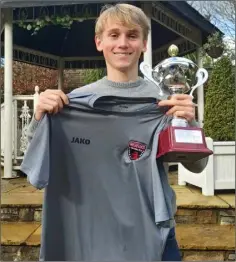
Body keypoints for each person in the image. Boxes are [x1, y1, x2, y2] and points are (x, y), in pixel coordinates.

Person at [26, 3, 208, 261]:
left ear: (144, 44)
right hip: (89, 235)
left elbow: (199, 166)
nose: (123, 43)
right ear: (99, 42)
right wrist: (39, 119)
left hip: (153, 232)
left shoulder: (165, 102)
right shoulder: (71, 102)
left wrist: (190, 124)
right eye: (114, 35)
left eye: (132, 35)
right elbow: (35, 167)